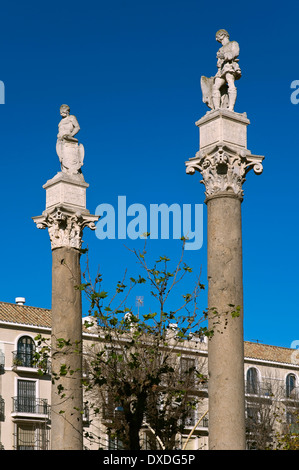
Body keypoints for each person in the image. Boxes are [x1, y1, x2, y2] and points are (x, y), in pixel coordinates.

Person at [212, 29, 241, 111]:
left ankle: (231, 108)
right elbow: (218, 63)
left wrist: (224, 56)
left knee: (231, 83)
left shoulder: (233, 43)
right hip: (221, 69)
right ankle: (217, 108)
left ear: (223, 35)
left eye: (217, 37)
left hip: (229, 65)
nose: (217, 39)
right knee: (215, 87)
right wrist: (219, 60)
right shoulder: (220, 49)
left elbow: (235, 53)